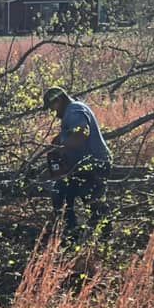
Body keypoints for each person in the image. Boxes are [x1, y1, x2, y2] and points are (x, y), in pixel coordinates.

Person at [43, 86, 113, 234]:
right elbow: (72, 136)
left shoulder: (74, 111)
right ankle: (75, 234)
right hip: (85, 165)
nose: (53, 113)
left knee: (90, 201)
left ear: (60, 100)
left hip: (93, 165)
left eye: (52, 107)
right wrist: (59, 141)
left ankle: (87, 236)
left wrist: (61, 148)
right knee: (64, 193)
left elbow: (80, 135)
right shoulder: (74, 110)